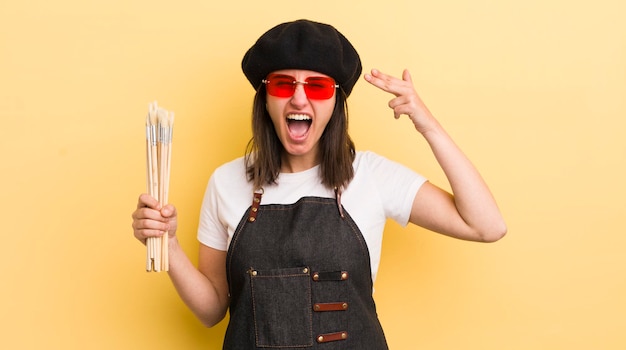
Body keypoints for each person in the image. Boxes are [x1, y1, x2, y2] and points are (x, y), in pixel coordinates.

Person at [132, 19, 506, 349]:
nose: (299, 97)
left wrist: (427, 124)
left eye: (318, 86)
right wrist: (169, 245)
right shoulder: (226, 182)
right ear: (265, 99)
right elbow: (212, 310)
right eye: (283, 84)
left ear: (335, 102)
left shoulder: (371, 176)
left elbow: (487, 225)